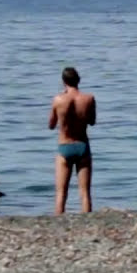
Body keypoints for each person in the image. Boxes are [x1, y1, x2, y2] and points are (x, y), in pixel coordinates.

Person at [48, 66, 96, 214]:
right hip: (82, 146)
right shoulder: (89, 99)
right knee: (84, 193)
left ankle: (58, 224)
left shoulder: (58, 100)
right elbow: (92, 121)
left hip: (65, 146)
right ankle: (88, 223)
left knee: (61, 193)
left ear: (63, 82)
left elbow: (51, 125)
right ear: (78, 80)